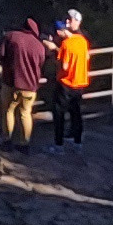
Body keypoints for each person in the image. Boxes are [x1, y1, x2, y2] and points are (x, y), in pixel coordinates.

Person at [0, 13, 46, 148]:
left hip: (12, 82)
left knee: (8, 110)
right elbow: (41, 63)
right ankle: (25, 143)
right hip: (31, 87)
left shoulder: (12, 36)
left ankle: (7, 140)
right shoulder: (39, 45)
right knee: (25, 113)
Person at [46, 8, 91, 147]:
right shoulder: (83, 41)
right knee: (76, 112)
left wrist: (54, 49)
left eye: (69, 20)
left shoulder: (66, 44)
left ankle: (58, 144)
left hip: (66, 83)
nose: (66, 21)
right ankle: (77, 141)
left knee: (58, 113)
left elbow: (64, 66)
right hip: (80, 82)